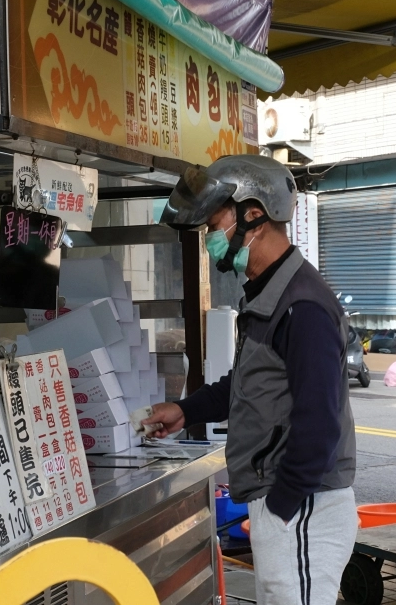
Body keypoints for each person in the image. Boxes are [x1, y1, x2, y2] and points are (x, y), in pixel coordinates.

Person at [142, 155, 357, 605]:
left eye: (213, 225)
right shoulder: (269, 296)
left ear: (253, 217)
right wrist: (187, 410)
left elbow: (319, 426)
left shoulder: (302, 308)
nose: (209, 239)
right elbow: (247, 384)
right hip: (290, 510)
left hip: (302, 509)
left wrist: (280, 509)